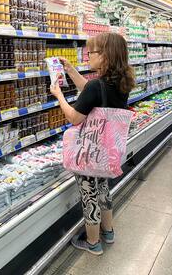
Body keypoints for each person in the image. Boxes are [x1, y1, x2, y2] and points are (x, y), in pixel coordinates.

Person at [50, 32, 135, 255]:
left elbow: (74, 117)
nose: (88, 56)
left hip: (90, 150)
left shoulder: (96, 86)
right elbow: (90, 91)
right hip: (107, 151)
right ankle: (108, 232)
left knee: (89, 195)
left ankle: (93, 242)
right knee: (103, 191)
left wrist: (59, 95)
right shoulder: (119, 82)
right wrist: (70, 70)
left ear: (106, 56)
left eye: (92, 52)